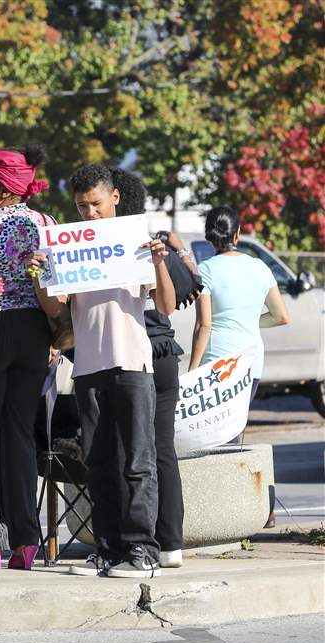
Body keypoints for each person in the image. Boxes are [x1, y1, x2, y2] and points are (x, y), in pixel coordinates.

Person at [29, 165, 175, 579]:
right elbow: (57, 309)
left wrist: (160, 263)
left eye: (95, 203)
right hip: (89, 366)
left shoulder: (134, 243)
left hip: (132, 363)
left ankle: (143, 551)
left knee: (137, 461)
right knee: (99, 462)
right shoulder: (70, 248)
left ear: (114, 198)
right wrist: (41, 274)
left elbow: (164, 306)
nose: (89, 213)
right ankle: (108, 550)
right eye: (80, 206)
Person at [0, 145, 53, 571]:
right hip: (37, 332)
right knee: (19, 436)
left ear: (2, 191)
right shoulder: (48, 224)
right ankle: (27, 539)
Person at [112, 168, 201, 569]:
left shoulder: (113, 246)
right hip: (166, 350)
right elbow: (189, 288)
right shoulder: (154, 241)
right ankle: (171, 544)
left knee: (132, 450)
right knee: (163, 449)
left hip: (134, 353)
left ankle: (134, 541)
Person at [189, 205, 290, 398]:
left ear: (209, 235)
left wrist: (193, 369)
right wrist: (247, 321)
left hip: (217, 363)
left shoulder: (206, 270)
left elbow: (204, 325)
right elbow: (281, 316)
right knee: (238, 424)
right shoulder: (260, 267)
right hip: (252, 362)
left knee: (216, 427)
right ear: (237, 234)